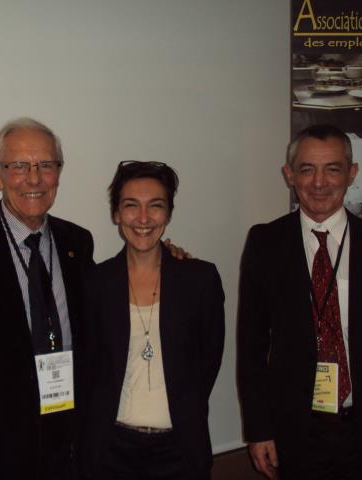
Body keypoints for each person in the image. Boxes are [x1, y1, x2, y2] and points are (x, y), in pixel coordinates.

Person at [0, 119, 186, 479]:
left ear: (59, 173)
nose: (34, 178)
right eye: (18, 166)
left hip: (69, 449)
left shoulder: (76, 243)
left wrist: (165, 257)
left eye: (46, 165)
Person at [237, 124, 362, 480]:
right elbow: (251, 347)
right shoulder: (266, 243)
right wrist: (259, 428)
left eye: (333, 169)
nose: (319, 182)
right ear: (289, 174)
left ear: (352, 173)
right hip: (295, 433)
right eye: (307, 169)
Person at [79, 161, 225, 480]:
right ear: (116, 213)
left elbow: (208, 362)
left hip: (180, 450)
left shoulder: (200, 280)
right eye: (131, 206)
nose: (143, 219)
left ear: (169, 213)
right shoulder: (94, 283)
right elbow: (88, 368)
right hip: (110, 450)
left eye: (155, 206)